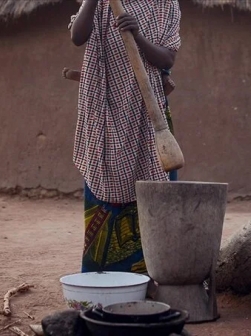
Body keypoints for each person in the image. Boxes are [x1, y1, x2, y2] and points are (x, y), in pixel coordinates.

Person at [68, 0, 181, 273]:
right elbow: (77, 37)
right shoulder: (100, 4)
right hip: (103, 114)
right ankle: (102, 280)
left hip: (149, 115)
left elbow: (167, 58)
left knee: (156, 194)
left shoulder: (164, 4)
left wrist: (137, 35)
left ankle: (154, 276)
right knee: (104, 188)